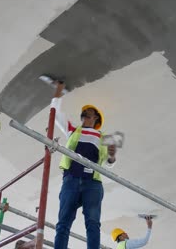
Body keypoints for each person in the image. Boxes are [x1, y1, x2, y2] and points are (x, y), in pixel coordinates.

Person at [52, 82, 117, 249]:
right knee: (63, 223)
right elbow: (55, 114)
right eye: (83, 115)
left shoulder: (105, 137)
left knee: (93, 223)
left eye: (87, 114)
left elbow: (109, 164)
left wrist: (112, 156)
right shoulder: (74, 130)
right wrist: (58, 91)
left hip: (92, 183)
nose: (83, 117)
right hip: (71, 179)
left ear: (96, 117)